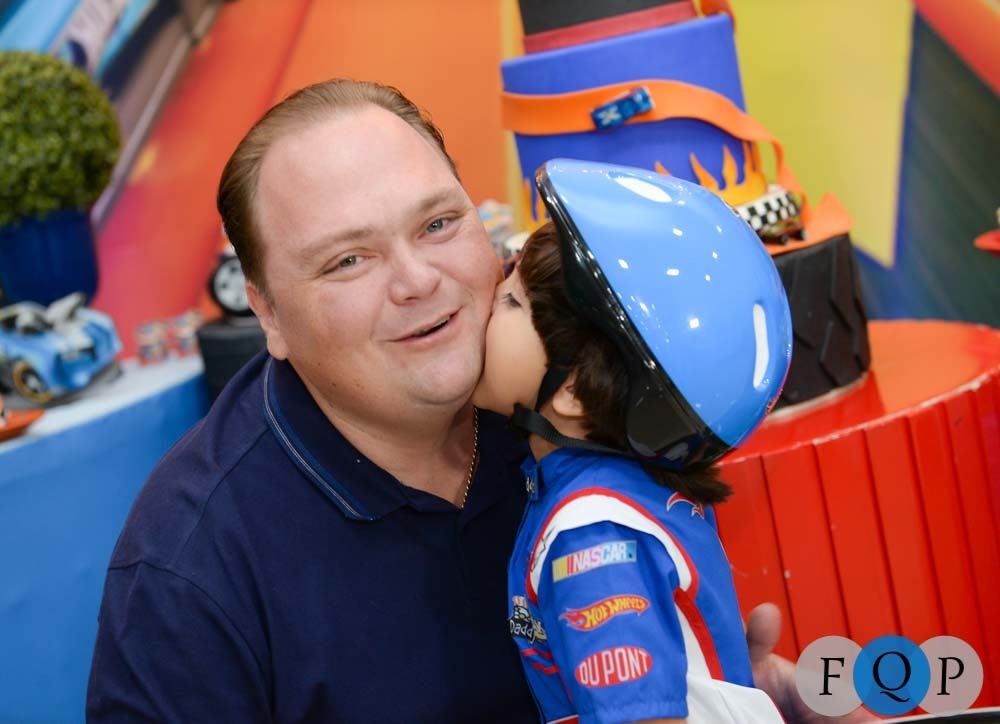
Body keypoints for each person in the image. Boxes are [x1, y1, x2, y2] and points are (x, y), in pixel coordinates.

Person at [86, 78, 868, 723]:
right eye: (348, 259)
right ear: (267, 315)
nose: (417, 280)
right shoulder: (188, 572)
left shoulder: (569, 405)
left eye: (437, 223)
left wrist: (745, 691)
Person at [473, 159, 791, 723]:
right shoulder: (624, 488)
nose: (488, 297)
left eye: (513, 301)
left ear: (572, 389)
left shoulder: (593, 535)